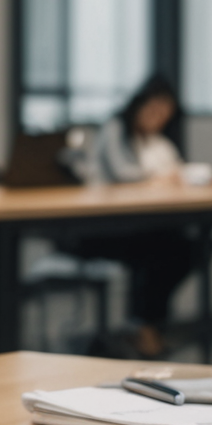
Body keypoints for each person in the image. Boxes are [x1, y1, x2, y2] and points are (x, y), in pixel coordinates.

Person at [83, 74, 202, 359]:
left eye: (164, 114)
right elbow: (123, 175)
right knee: (161, 251)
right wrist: (161, 178)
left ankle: (146, 325)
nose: (157, 118)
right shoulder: (116, 129)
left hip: (143, 224)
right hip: (102, 225)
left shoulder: (156, 141)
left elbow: (176, 170)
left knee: (189, 247)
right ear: (139, 104)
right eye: (153, 110)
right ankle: (144, 327)